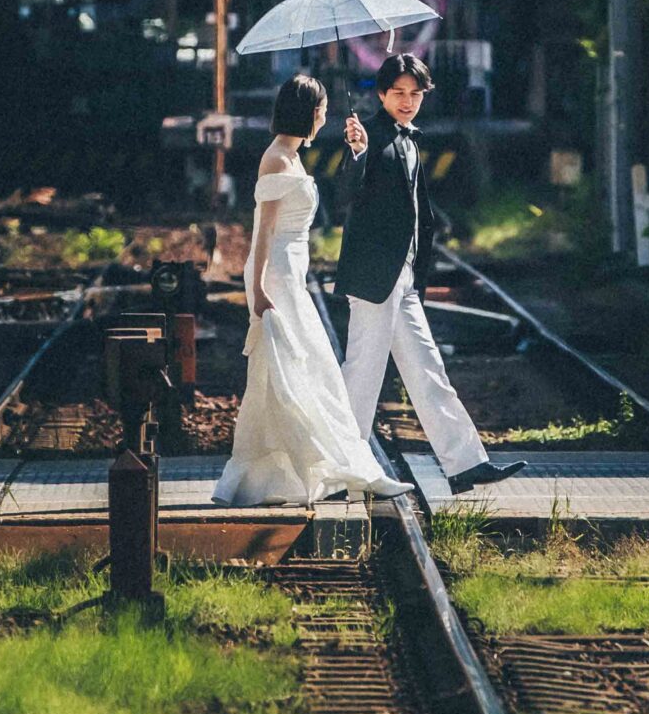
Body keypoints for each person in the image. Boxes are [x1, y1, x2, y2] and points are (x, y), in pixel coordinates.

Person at [214, 73, 413, 507]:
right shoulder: (276, 160)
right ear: (308, 111)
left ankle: (274, 478)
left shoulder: (290, 156)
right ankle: (357, 471)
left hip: (289, 275)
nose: (325, 116)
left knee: (289, 376)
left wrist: (357, 151)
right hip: (278, 279)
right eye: (321, 109)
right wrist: (261, 290)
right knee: (310, 370)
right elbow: (262, 234)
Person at [337, 53, 526, 494]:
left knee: (428, 369)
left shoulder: (408, 139)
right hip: (373, 278)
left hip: (402, 279)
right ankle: (342, 468)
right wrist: (359, 152)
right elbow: (347, 190)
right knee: (362, 375)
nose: (407, 101)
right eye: (398, 93)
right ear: (382, 94)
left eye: (415, 94)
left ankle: (465, 464)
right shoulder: (372, 137)